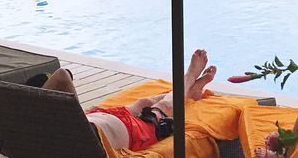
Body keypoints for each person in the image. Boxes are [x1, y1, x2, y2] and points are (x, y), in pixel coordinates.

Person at [41, 49, 216, 152]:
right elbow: (62, 76)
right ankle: (189, 77)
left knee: (143, 102)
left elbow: (62, 76)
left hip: (98, 119)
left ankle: (188, 91)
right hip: (131, 133)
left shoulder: (46, 134)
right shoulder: (76, 141)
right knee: (163, 107)